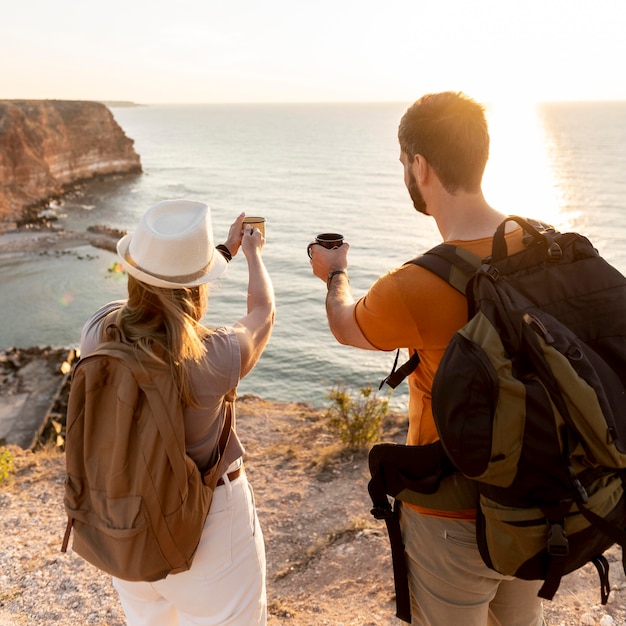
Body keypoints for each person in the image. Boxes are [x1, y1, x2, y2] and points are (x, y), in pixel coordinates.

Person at [308, 92, 545, 625]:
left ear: (420, 166)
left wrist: (336, 274)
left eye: (402, 163)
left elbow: (345, 325)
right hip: (538, 497)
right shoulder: (544, 246)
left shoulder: (415, 285)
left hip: (452, 515)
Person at [80, 199, 275, 625]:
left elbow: (149, 302)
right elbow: (262, 313)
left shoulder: (99, 331)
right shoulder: (213, 356)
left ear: (134, 274)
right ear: (198, 287)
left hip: (126, 524)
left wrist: (211, 257)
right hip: (208, 531)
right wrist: (251, 254)